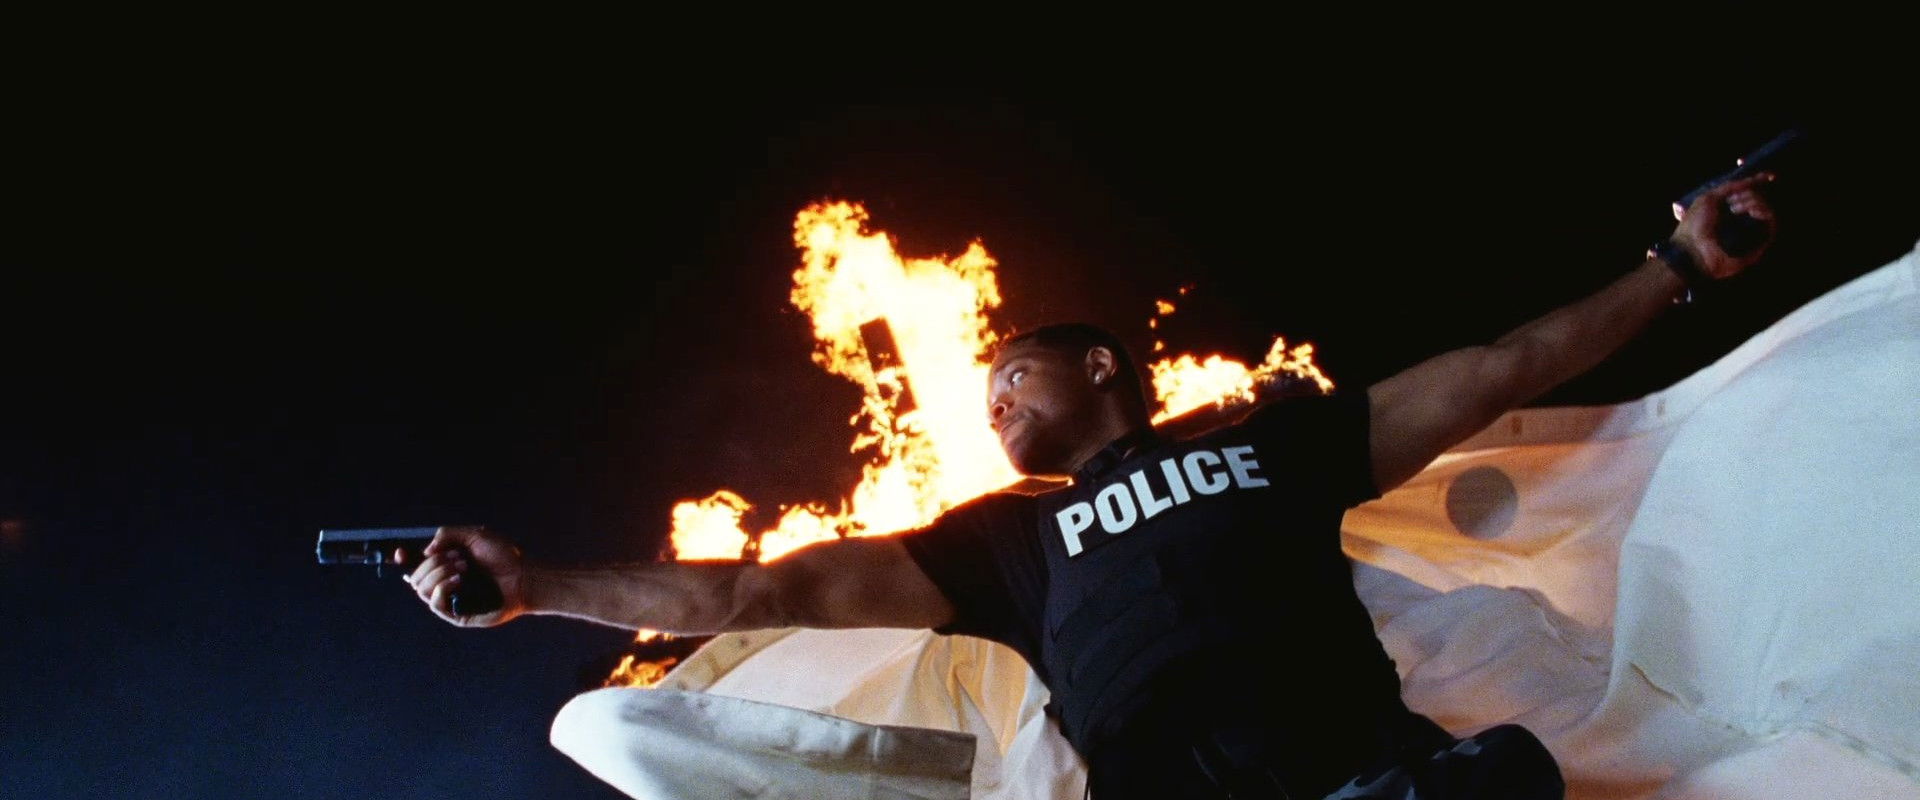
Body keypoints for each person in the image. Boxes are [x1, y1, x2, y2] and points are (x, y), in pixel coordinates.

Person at [401, 175, 1777, 798]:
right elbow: (758, 592)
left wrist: (1678, 267)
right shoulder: (1007, 543)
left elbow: (1501, 367)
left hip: (1374, 778)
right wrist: (536, 586)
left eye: (1010, 374)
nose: (991, 400)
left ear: (1104, 366)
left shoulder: (1273, 444)